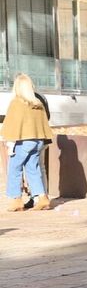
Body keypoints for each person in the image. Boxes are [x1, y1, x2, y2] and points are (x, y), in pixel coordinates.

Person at [3, 74, 53, 212]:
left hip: (23, 141)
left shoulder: (17, 102)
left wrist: (10, 143)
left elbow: (12, 124)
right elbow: (44, 123)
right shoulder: (37, 103)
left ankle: (16, 200)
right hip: (38, 141)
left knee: (14, 168)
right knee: (33, 169)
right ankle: (42, 198)